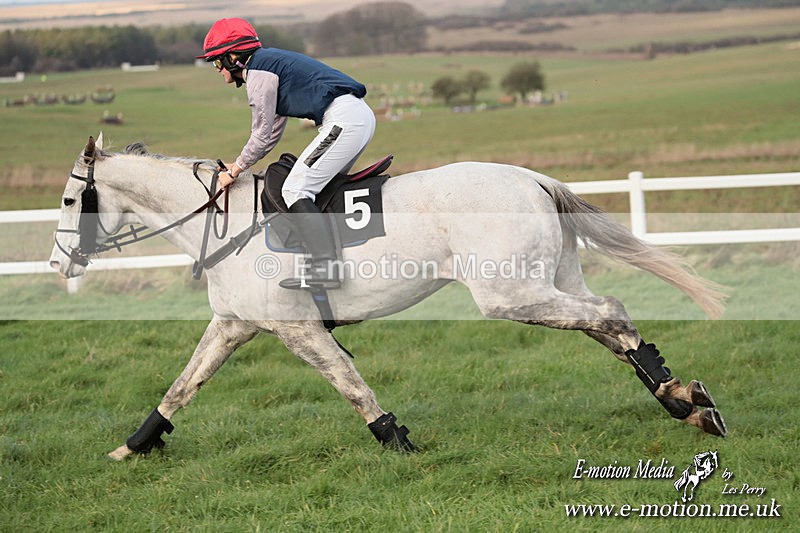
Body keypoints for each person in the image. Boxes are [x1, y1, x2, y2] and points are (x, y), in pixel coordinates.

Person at [197, 18, 376, 290]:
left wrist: (234, 171)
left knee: (295, 189)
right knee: (318, 188)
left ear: (234, 57)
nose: (217, 70)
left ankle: (326, 269)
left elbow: (260, 134)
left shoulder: (258, 73)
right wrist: (241, 164)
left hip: (344, 120)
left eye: (217, 62)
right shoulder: (267, 64)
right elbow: (270, 135)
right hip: (353, 116)